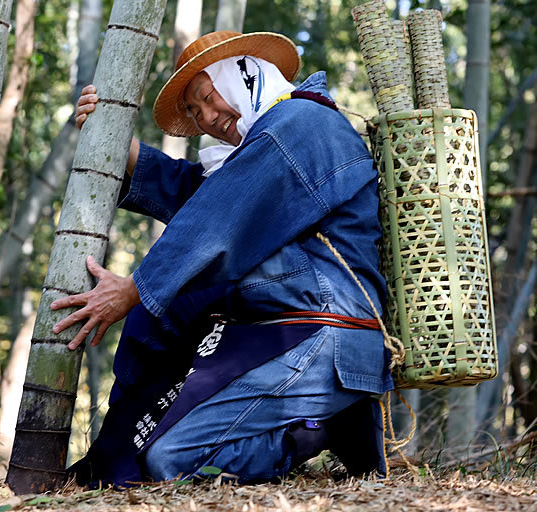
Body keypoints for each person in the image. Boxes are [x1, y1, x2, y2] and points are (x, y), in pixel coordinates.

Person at [51, 30, 393, 486]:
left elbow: (218, 216)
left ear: (244, 75)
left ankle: (320, 428)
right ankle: (328, 420)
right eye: (195, 113)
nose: (209, 117)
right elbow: (207, 196)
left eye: (208, 97)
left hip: (323, 331)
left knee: (169, 460)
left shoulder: (298, 124)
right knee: (151, 442)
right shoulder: (276, 133)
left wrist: (133, 290)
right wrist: (121, 147)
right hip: (293, 325)